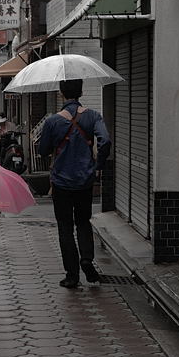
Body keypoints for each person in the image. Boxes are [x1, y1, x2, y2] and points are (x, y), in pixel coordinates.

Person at [39, 78, 111, 289]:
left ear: (61, 93)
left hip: (61, 181)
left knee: (65, 227)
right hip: (85, 180)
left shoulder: (53, 121)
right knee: (83, 222)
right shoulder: (92, 116)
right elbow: (105, 140)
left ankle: (72, 275)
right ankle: (87, 259)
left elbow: (42, 150)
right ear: (81, 92)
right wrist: (98, 165)